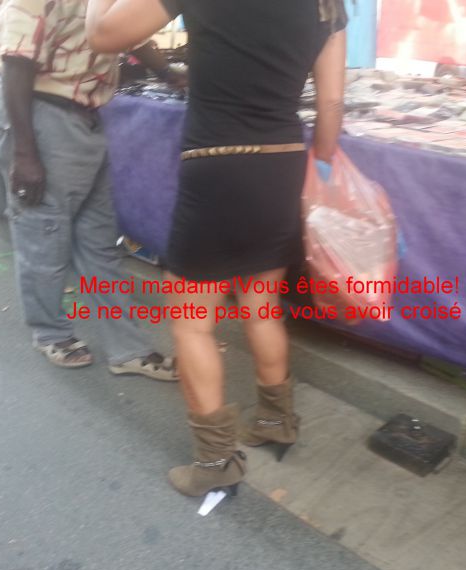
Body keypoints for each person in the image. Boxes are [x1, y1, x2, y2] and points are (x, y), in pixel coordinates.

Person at [86, 0, 347, 496]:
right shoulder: (326, 3)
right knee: (261, 305)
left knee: (191, 321)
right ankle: (276, 421)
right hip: (282, 163)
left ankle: (215, 462)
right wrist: (323, 166)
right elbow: (331, 105)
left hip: (218, 162)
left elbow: (103, 34)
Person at [0, 0, 180, 380]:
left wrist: (167, 72)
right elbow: (16, 63)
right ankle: (51, 333)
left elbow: (129, 34)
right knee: (44, 236)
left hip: (86, 119)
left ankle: (128, 349)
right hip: (39, 114)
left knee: (99, 242)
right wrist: (25, 153)